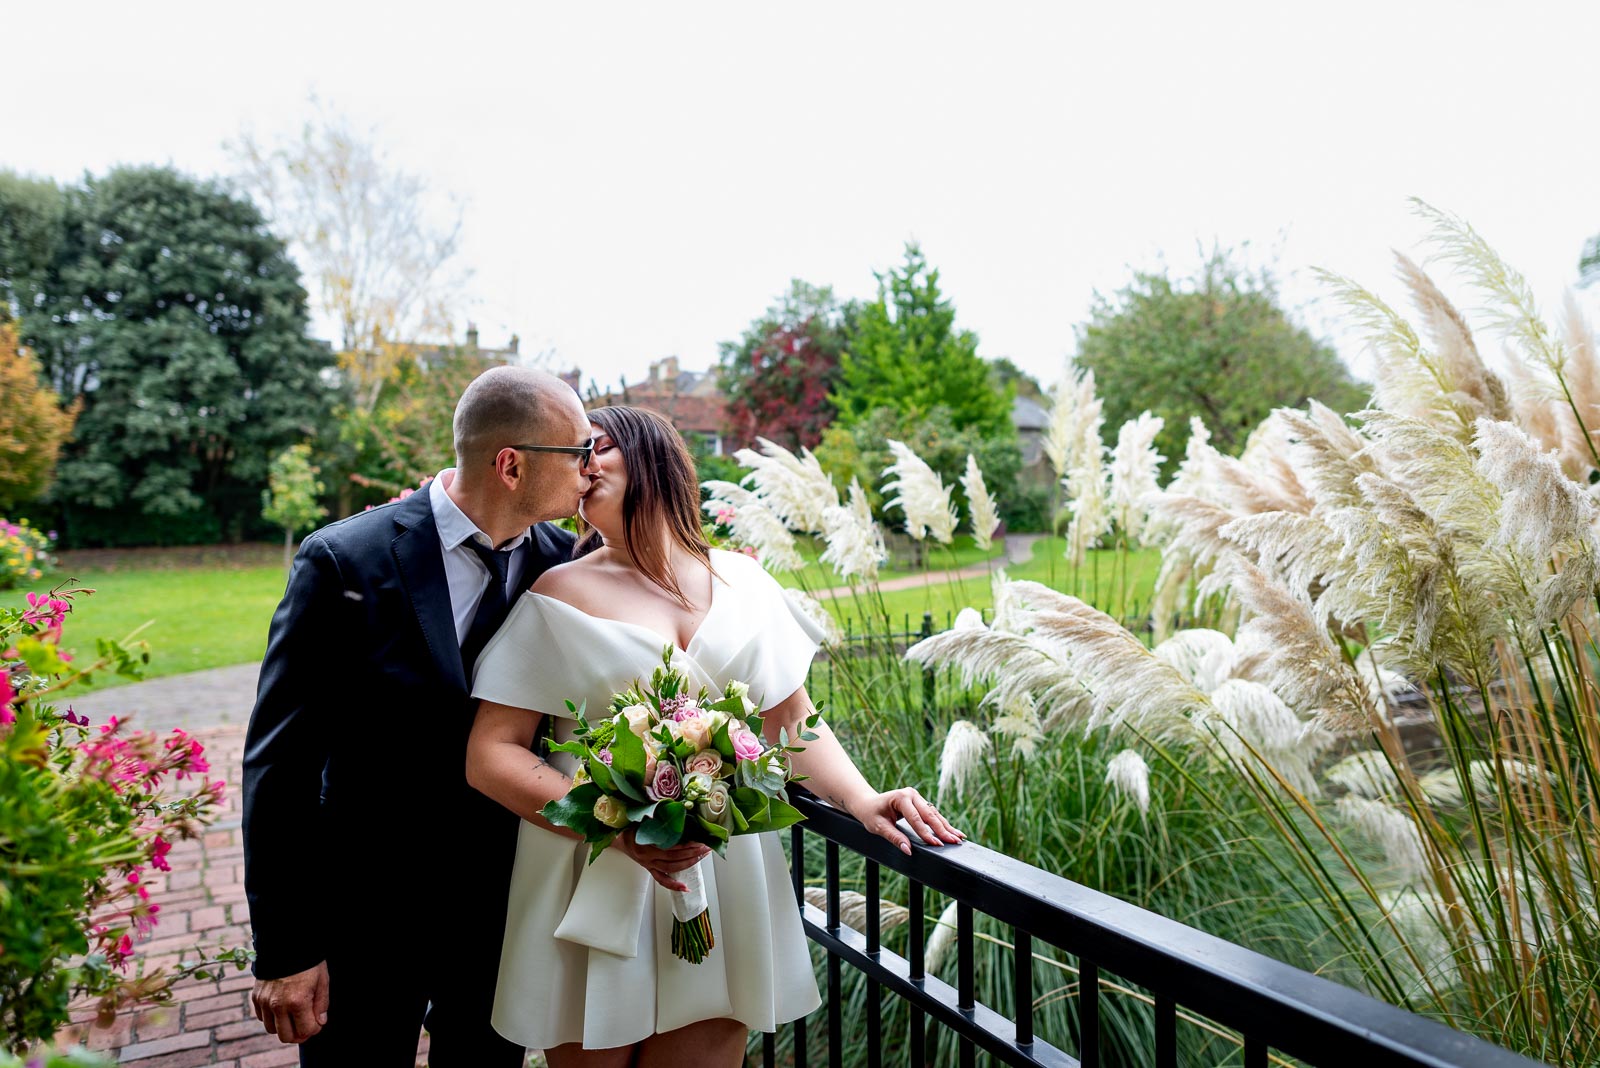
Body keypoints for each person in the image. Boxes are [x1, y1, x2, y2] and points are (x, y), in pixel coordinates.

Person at [465, 405, 962, 1067]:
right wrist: (612, 826)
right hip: (594, 868)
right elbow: (489, 753)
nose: (581, 469)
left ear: (654, 457)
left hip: (720, 872)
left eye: (598, 449)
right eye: (575, 456)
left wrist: (862, 798)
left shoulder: (746, 583)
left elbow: (790, 723)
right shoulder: (559, 592)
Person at [241, 367, 596, 1066]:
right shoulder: (344, 560)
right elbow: (279, 762)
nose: (590, 470)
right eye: (579, 451)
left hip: (504, 917)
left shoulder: (568, 569)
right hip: (365, 917)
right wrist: (287, 948)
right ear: (511, 464)